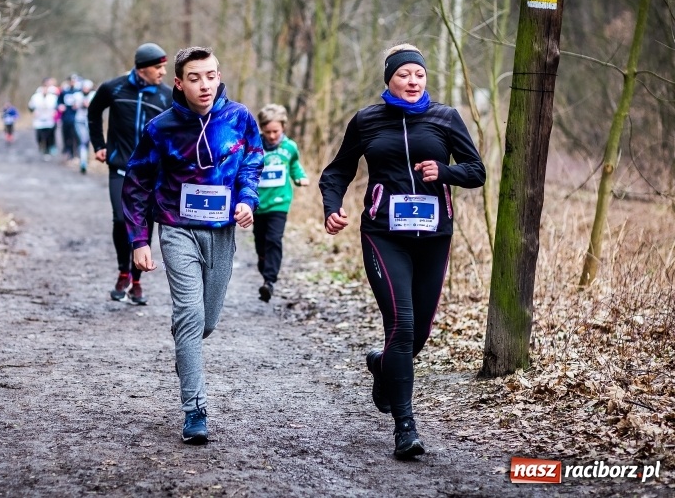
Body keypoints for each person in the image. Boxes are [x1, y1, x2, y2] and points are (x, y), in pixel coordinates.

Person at [318, 43, 485, 460]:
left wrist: (443, 171)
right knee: (404, 325)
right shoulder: (367, 120)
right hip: (383, 233)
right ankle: (405, 426)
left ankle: (382, 364)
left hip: (433, 237)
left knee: (419, 333)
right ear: (389, 79)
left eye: (419, 75)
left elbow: (476, 171)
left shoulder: (445, 118)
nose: (413, 81)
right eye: (404, 75)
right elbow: (337, 170)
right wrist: (331, 207)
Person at [122, 46, 263, 445]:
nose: (205, 84)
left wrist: (246, 201)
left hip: (220, 232)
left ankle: (187, 349)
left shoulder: (239, 119)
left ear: (219, 77)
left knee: (206, 322)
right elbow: (136, 185)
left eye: (211, 75)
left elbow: (252, 163)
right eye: (196, 78)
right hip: (176, 227)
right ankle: (194, 410)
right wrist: (139, 240)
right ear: (179, 83)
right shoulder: (160, 128)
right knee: (189, 314)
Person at [88, 43, 173, 304]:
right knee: (120, 220)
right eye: (158, 67)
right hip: (121, 168)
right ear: (142, 68)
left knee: (144, 225)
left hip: (151, 175)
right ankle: (123, 272)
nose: (163, 72)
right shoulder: (113, 88)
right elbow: (93, 112)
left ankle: (137, 281)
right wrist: (100, 145)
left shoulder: (166, 96)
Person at [253, 103, 309, 303]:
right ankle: (264, 266)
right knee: (261, 243)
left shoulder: (289, 147)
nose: (272, 136)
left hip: (280, 203)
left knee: (274, 240)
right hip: (258, 204)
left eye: (276, 131)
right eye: (267, 131)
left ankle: (269, 281)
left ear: (283, 127)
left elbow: (294, 165)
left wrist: (300, 177)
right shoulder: (254, 146)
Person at [28, 78, 59, 157]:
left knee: (49, 135)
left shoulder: (53, 97)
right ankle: (41, 146)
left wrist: (55, 113)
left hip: (49, 119)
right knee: (39, 136)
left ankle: (47, 150)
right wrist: (33, 111)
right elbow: (30, 106)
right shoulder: (35, 97)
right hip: (39, 120)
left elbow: (57, 106)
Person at [74, 79, 95, 174]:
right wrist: (80, 104)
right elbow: (73, 106)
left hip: (91, 121)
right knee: (83, 140)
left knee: (87, 142)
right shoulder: (77, 95)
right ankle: (83, 161)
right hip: (79, 121)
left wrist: (90, 105)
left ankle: (86, 159)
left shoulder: (94, 95)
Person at [58, 74, 80, 160]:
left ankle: (76, 153)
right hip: (66, 118)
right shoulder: (64, 92)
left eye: (74, 80)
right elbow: (58, 102)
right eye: (71, 80)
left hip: (77, 118)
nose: (72, 82)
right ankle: (68, 151)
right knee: (66, 136)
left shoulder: (79, 91)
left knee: (76, 136)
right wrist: (60, 106)